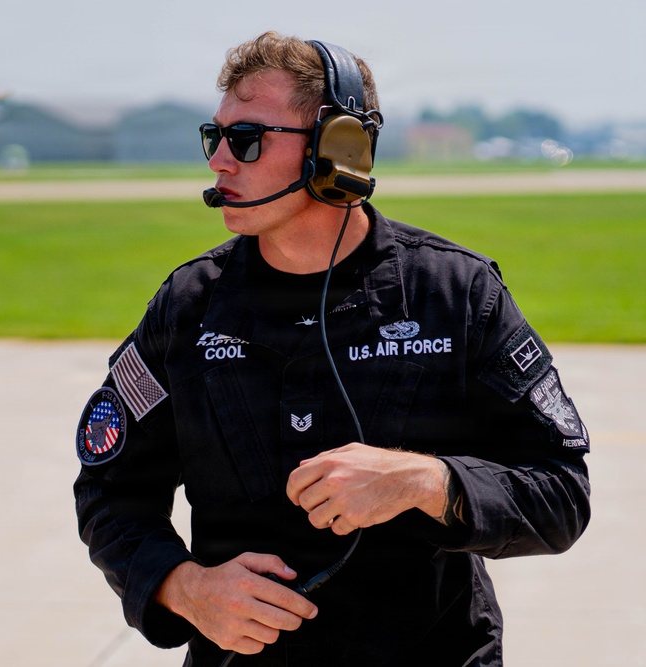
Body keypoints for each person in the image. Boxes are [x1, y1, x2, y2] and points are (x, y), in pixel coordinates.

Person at [73, 31, 590, 666]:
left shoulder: (455, 293)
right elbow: (108, 492)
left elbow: (561, 493)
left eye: (247, 140)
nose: (219, 163)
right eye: (216, 138)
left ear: (335, 149)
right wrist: (186, 588)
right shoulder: (188, 306)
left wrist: (426, 481)